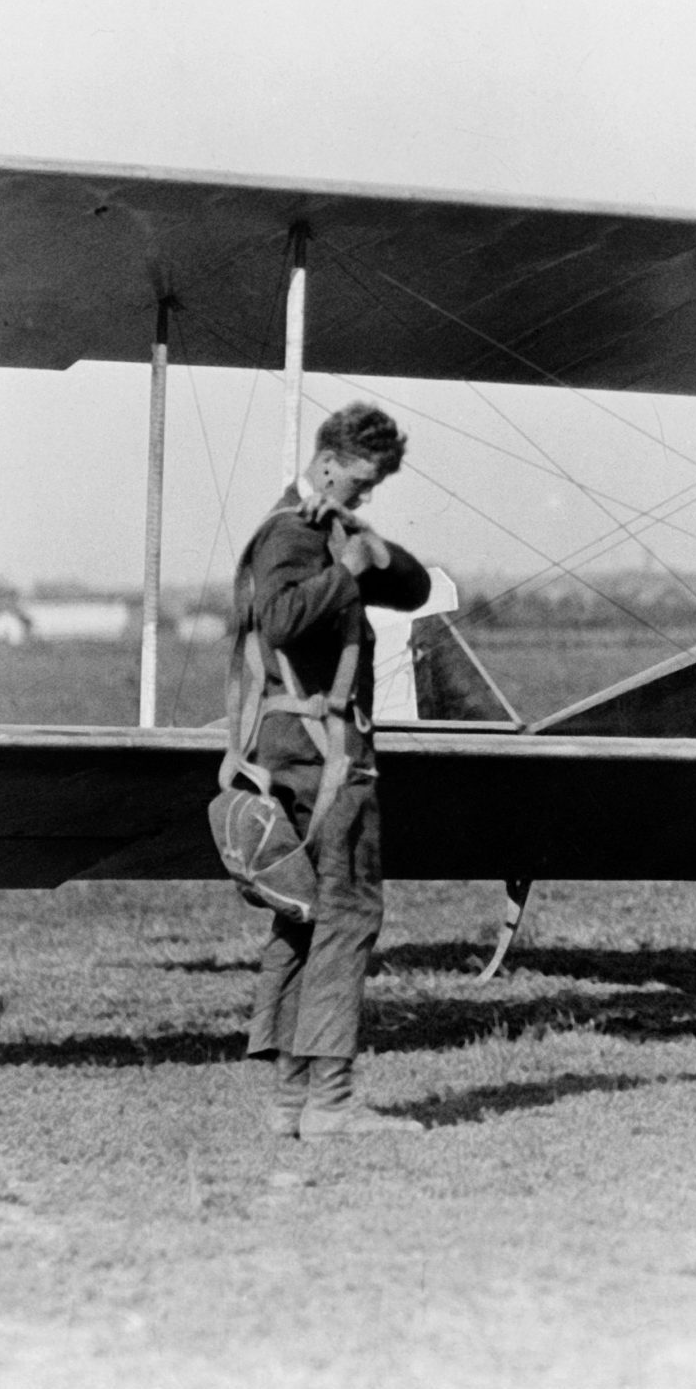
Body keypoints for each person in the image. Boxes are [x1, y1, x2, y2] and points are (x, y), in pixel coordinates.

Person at [233, 402, 433, 1137]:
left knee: (305, 919)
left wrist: (357, 536)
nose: (367, 495)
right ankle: (332, 1104)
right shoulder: (290, 533)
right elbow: (279, 622)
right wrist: (344, 569)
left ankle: (291, 1103)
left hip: (299, 750)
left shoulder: (324, 530)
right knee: (348, 914)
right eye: (360, 484)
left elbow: (411, 587)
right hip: (320, 753)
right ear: (325, 465)